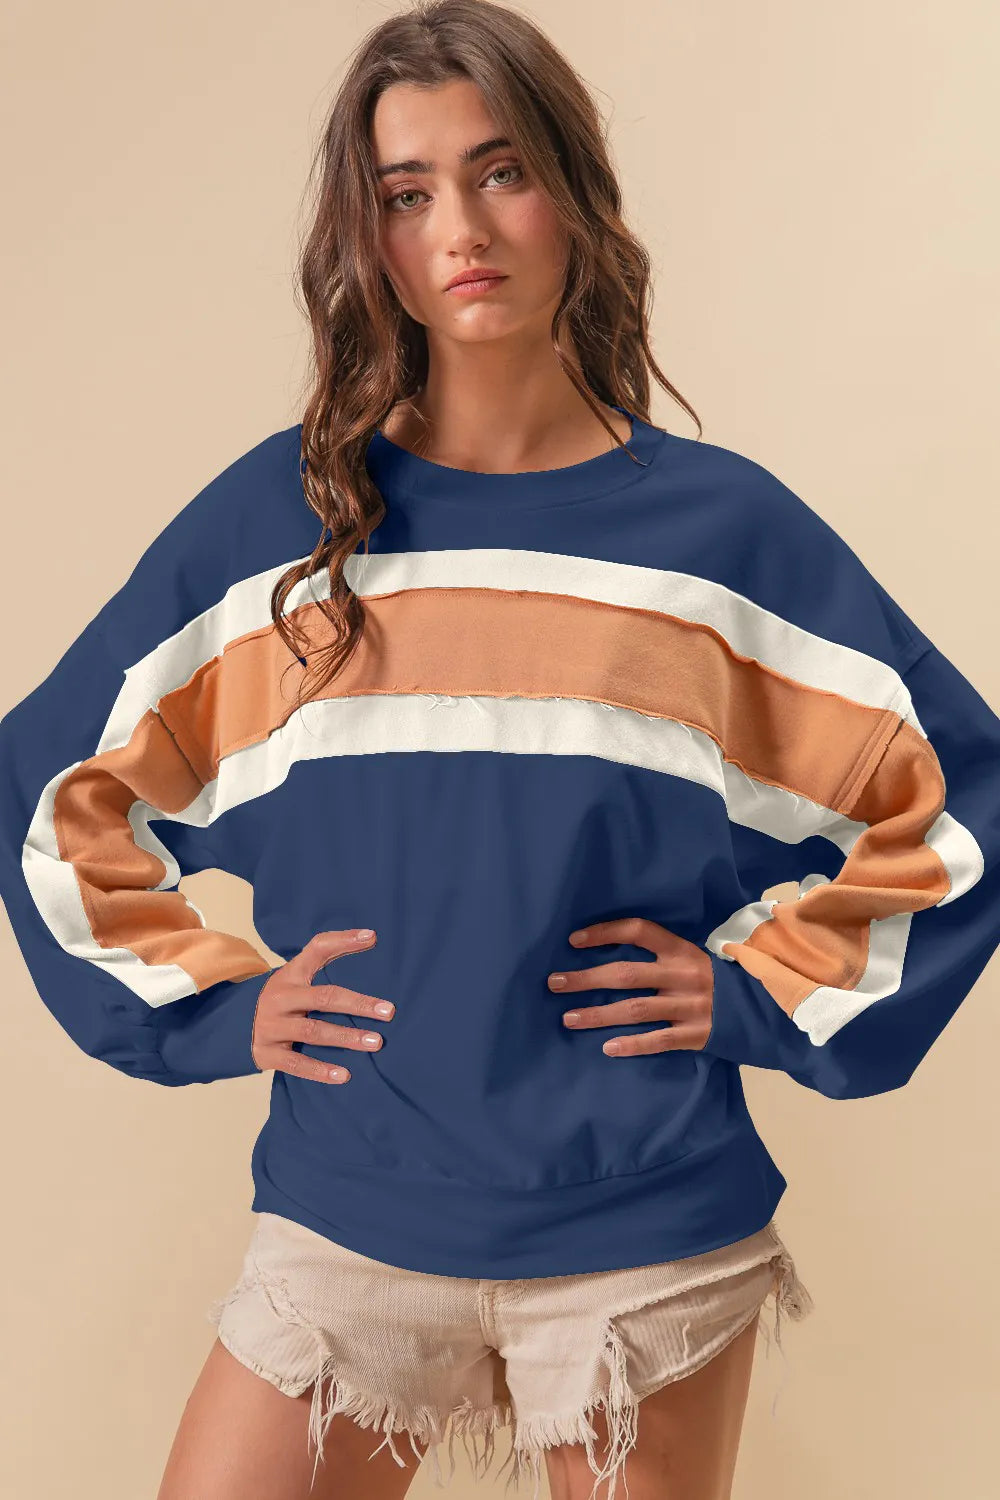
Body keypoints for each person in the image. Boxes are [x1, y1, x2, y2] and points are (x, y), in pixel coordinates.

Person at [1, 3, 997, 1498]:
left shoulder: (722, 536)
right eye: (406, 194)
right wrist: (216, 1008)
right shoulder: (285, 528)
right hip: (344, 1209)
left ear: (576, 196)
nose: (460, 229)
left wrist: (760, 992)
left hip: (645, 1231)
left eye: (502, 171)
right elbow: (54, 792)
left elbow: (959, 800)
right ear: (370, 241)